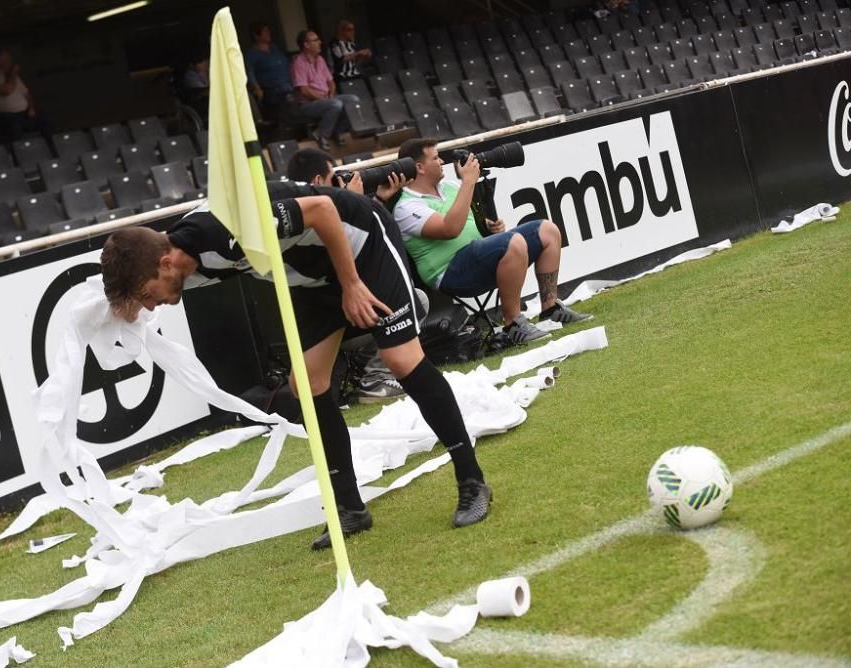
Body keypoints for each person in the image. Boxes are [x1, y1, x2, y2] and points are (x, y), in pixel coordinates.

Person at [100, 186, 492, 550]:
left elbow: (322, 210)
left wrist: (352, 283)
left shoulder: (222, 232)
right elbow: (115, 299)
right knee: (307, 383)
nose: (151, 307)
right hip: (311, 279)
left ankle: (471, 479)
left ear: (165, 263)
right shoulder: (178, 268)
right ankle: (350, 508)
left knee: (400, 359)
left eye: (147, 295)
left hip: (360, 249)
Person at [393, 138, 591, 346]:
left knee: (547, 231)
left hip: (478, 258)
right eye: (435, 158)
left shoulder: (450, 187)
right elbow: (449, 229)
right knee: (513, 242)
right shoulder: (406, 207)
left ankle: (550, 309)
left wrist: (488, 227)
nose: (441, 161)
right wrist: (468, 182)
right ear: (419, 167)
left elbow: (467, 224)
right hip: (451, 273)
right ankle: (513, 324)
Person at [285, 147, 414, 401]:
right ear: (319, 181)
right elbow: (354, 261)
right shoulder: (314, 215)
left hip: (327, 320)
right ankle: (376, 378)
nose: (339, 183)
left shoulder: (293, 211)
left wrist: (374, 202)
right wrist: (352, 204)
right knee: (414, 300)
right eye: (335, 178)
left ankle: (370, 363)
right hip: (334, 318)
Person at [290, 30, 358, 151]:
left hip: (327, 98)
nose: (320, 42)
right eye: (315, 40)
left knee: (353, 100)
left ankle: (337, 131)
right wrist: (324, 99)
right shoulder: (298, 62)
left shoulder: (320, 59)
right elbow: (304, 90)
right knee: (335, 104)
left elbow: (331, 82)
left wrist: (331, 94)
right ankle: (322, 135)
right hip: (308, 104)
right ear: (306, 45)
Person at [0, 48, 50, 145]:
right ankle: (16, 154)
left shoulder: (12, 76)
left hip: (24, 113)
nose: (9, 61)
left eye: (9, 58)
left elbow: (27, 94)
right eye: (5, 59)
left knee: (44, 120)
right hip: (3, 116)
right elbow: (7, 90)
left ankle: (51, 151)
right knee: (14, 127)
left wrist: (31, 108)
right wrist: (13, 74)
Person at [245, 22, 294, 119]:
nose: (268, 33)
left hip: (288, 86)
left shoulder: (274, 48)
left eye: (268, 30)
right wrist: (257, 88)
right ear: (256, 35)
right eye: (265, 31)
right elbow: (250, 72)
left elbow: (285, 62)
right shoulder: (252, 54)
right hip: (271, 91)